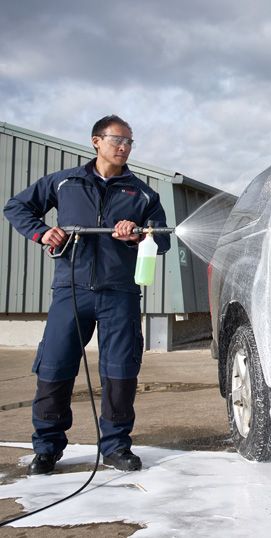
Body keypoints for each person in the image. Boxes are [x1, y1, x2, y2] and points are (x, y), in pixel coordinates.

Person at [3, 115, 170, 474]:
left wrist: (139, 235)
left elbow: (164, 239)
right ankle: (47, 448)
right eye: (116, 140)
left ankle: (116, 447)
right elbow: (17, 207)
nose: (123, 147)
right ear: (96, 141)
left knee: (120, 371)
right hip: (71, 290)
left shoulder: (142, 194)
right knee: (54, 366)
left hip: (120, 294)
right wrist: (42, 233)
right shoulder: (64, 183)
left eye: (129, 142)